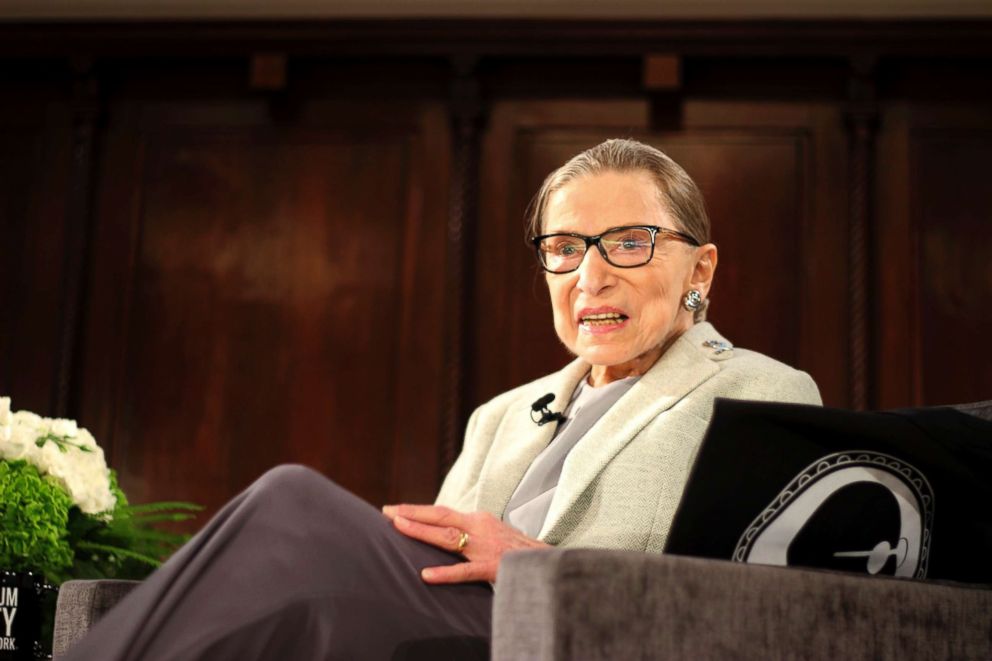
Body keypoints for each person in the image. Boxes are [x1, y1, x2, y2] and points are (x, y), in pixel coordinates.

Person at [62, 139, 821, 660]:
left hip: (562, 640)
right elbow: (431, 572)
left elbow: (756, 615)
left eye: (628, 241)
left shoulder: (763, 391)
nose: (590, 277)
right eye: (564, 248)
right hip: (444, 641)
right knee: (287, 600)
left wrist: (536, 565)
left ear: (702, 268)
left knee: (290, 501)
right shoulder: (500, 415)